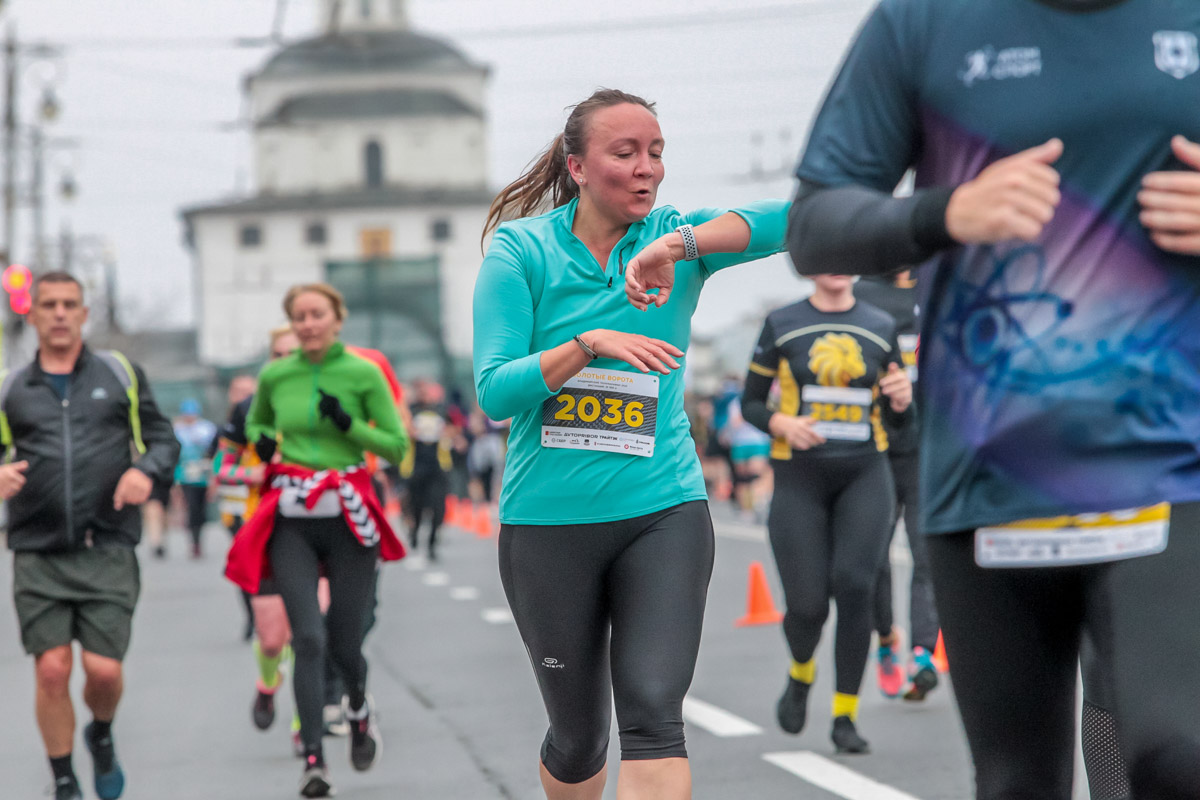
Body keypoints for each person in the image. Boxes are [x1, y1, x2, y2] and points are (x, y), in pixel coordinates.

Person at [787, 1, 1200, 795]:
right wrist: (947, 211)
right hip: (991, 474)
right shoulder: (924, 22)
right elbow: (815, 223)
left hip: (1176, 461)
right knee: (1018, 783)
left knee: (1176, 754)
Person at [474, 88, 787, 800]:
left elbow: (798, 220)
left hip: (662, 511)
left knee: (652, 717)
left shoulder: (677, 238)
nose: (648, 168)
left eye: (657, 152)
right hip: (549, 524)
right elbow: (495, 391)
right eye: (626, 153)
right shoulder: (522, 252)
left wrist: (681, 245)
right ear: (578, 167)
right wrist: (586, 345)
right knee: (581, 738)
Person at [0, 272, 179, 800]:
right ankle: (63, 780)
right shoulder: (11, 387)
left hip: (107, 545)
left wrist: (146, 469)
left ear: (83, 314)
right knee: (52, 670)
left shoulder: (119, 374)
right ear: (31, 315)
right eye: (48, 305)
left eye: (69, 305)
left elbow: (164, 438)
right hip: (38, 549)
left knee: (102, 672)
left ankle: (100, 734)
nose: (59, 313)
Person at [225, 283, 408, 798]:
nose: (307, 324)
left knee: (345, 643)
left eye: (316, 315)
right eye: (298, 316)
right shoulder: (276, 375)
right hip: (292, 514)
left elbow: (395, 445)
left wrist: (349, 425)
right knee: (307, 639)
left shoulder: (362, 373)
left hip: (348, 512)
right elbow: (256, 421)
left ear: (337, 318)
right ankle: (313, 760)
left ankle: (358, 709)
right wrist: (261, 439)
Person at [741, 272, 912, 753]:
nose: (836, 264)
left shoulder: (880, 325)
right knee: (808, 606)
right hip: (800, 479)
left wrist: (902, 402)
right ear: (808, 262)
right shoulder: (783, 322)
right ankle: (800, 675)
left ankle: (845, 716)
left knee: (856, 586)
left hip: (865, 475)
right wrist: (781, 424)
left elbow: (900, 421)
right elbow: (751, 403)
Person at [212, 327, 300, 750]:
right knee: (271, 639)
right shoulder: (248, 408)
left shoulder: (330, 401)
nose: (285, 360)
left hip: (318, 528)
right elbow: (221, 465)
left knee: (310, 634)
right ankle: (268, 684)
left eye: (294, 353)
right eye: (278, 353)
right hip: (264, 529)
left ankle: (307, 727)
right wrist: (259, 473)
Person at [854, 269, 939, 701]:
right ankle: (886, 638)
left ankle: (923, 653)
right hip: (878, 447)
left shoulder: (939, 284)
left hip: (930, 447)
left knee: (928, 555)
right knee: (874, 557)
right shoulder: (864, 292)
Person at [404, 379, 453, 561]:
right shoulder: (411, 410)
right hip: (416, 466)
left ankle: (432, 544)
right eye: (422, 391)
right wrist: (410, 431)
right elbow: (401, 429)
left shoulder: (441, 410)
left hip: (438, 466)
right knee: (416, 507)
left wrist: (448, 433)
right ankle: (414, 532)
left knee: (437, 507)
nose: (425, 395)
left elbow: (455, 429)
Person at [173, 399, 216, 559]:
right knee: (192, 508)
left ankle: (199, 538)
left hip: (204, 475)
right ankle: (194, 542)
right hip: (186, 476)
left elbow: (214, 453)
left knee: (202, 510)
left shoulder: (207, 429)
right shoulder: (178, 430)